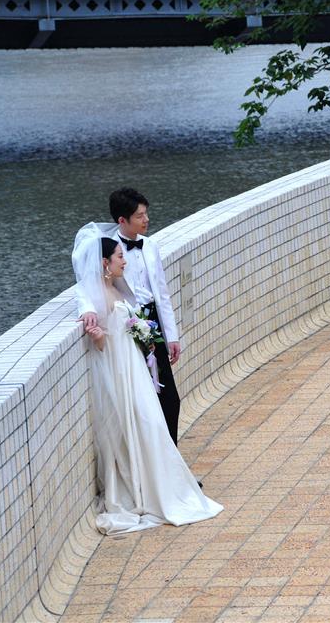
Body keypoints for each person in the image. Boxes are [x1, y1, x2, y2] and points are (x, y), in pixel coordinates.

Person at [72, 223, 222, 534]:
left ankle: (163, 480)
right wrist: (98, 333)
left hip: (137, 367)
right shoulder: (92, 293)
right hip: (122, 372)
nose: (123, 260)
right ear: (104, 264)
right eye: (118, 257)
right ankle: (145, 489)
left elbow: (157, 296)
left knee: (154, 419)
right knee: (144, 421)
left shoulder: (118, 286)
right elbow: (96, 330)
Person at [78, 188, 182, 447]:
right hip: (128, 326)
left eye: (146, 214)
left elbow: (162, 293)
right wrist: (87, 309)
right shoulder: (106, 249)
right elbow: (85, 284)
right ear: (122, 220)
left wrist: (172, 336)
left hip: (152, 322)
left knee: (169, 399)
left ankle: (172, 464)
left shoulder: (151, 245)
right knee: (143, 401)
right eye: (139, 216)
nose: (146, 220)